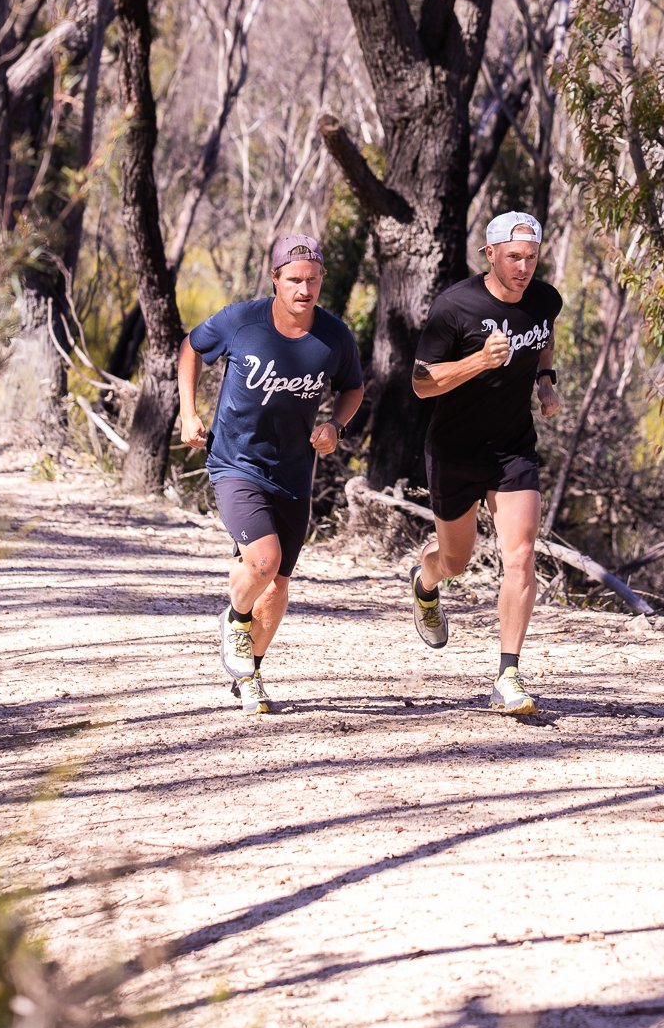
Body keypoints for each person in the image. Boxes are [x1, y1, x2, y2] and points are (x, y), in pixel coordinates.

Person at [178, 234, 364, 715]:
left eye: (313, 281)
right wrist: (187, 412)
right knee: (262, 561)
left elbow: (353, 389)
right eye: (295, 280)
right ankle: (235, 619)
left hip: (294, 471)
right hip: (236, 462)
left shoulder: (334, 336)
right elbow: (192, 348)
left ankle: (250, 674)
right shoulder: (242, 321)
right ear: (275, 279)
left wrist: (335, 426)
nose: (305, 290)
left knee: (278, 584)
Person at [410, 210, 562, 715]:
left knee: (519, 556)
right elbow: (421, 381)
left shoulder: (544, 298)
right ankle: (425, 584)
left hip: (512, 450)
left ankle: (508, 675)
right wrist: (479, 360)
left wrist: (546, 382)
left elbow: (543, 338)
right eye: (514, 257)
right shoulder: (455, 307)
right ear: (490, 254)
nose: (523, 267)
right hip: (453, 451)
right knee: (455, 561)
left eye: (532, 257)